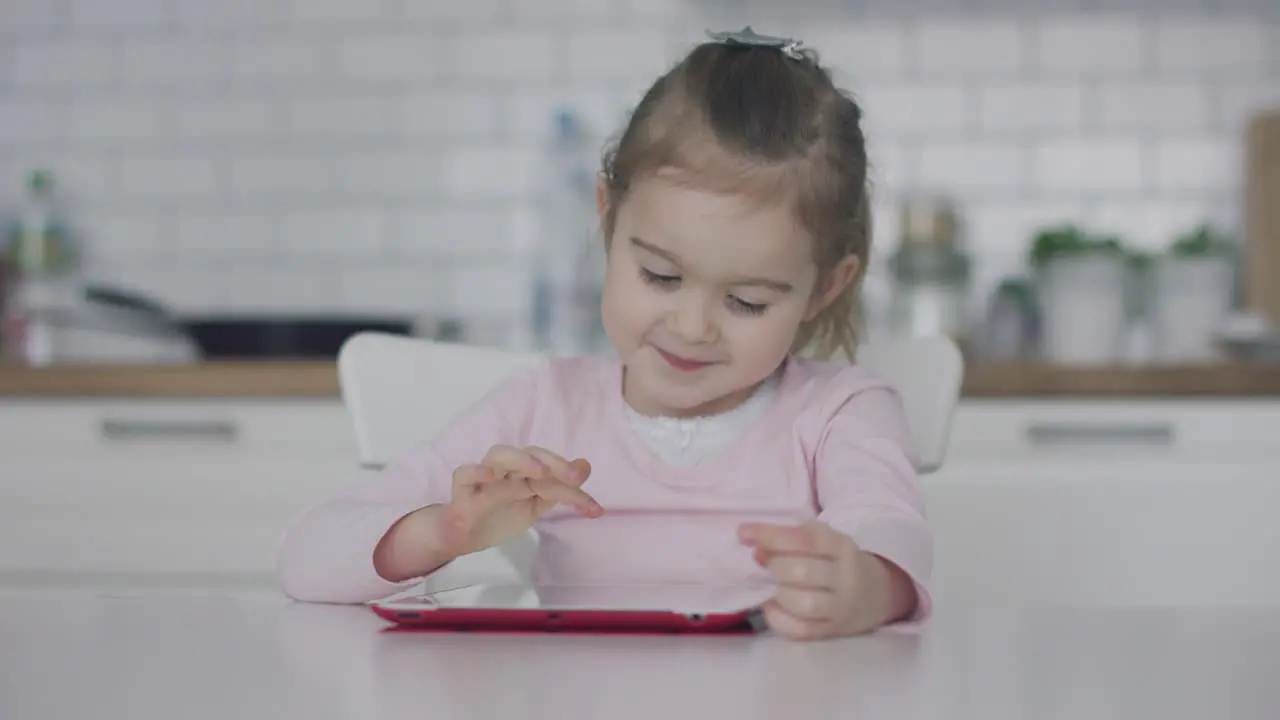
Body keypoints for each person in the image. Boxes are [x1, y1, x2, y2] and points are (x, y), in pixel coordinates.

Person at [277, 27, 932, 640]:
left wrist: (868, 587)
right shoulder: (542, 406)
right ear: (607, 217)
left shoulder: (839, 414)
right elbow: (307, 556)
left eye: (745, 301)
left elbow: (889, 530)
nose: (692, 326)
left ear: (825, 287)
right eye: (660, 276)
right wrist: (441, 531)